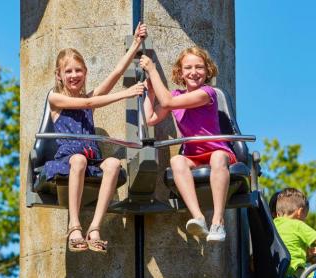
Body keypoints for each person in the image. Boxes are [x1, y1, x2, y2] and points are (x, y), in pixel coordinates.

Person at [45, 23, 147, 253]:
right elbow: (88, 103)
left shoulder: (89, 100)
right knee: (79, 159)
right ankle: (74, 226)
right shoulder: (55, 98)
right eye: (68, 71)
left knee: (112, 163)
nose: (74, 75)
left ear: (85, 73)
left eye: (78, 70)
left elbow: (115, 74)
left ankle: (94, 228)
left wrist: (135, 45)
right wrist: (126, 94)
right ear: (59, 75)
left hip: (90, 161)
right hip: (68, 160)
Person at [139, 47, 237, 242]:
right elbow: (150, 119)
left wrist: (152, 70)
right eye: (188, 67)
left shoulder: (207, 93)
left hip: (217, 151)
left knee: (218, 157)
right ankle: (198, 217)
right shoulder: (175, 95)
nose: (194, 72)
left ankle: (218, 221)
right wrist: (150, 92)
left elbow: (166, 102)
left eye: (199, 67)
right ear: (181, 72)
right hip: (194, 155)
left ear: (207, 71)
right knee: (176, 160)